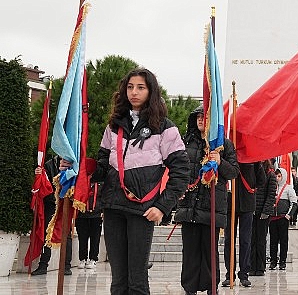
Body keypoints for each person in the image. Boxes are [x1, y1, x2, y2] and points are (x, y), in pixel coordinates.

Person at [93, 68, 190, 295]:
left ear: (151, 91)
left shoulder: (165, 127)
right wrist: (80, 168)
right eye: (130, 87)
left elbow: (182, 171)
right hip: (113, 206)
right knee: (118, 280)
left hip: (142, 210)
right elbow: (102, 166)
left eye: (140, 87)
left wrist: (162, 206)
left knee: (137, 280)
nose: (134, 92)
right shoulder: (113, 126)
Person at [174, 106, 239, 295]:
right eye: (198, 117)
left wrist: (220, 161)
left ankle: (212, 287)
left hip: (211, 206)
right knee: (190, 252)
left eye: (205, 116)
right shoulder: (186, 142)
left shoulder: (223, 145)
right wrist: (178, 190)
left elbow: (233, 172)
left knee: (210, 252)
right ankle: (189, 288)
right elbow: (178, 171)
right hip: (189, 207)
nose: (201, 120)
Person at [222, 161, 265, 288]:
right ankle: (230, 274)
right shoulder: (228, 154)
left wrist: (251, 184)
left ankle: (244, 274)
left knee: (245, 240)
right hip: (230, 204)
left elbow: (261, 180)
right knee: (229, 240)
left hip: (247, 203)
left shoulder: (252, 157)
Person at [31, 156, 73, 276]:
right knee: (47, 233)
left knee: (66, 233)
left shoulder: (73, 162)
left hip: (66, 201)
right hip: (51, 202)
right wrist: (39, 174)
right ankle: (43, 265)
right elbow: (45, 183)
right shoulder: (50, 164)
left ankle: (66, 265)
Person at [249, 159, 277, 276]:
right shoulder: (253, 174)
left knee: (260, 240)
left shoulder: (270, 175)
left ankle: (260, 267)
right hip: (252, 211)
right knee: (251, 240)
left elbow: (271, 195)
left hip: (263, 213)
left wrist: (265, 211)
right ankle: (251, 266)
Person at [268, 167, 297, 270]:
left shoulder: (288, 188)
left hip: (282, 218)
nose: (277, 178)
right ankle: (273, 261)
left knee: (283, 241)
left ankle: (283, 262)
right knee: (273, 241)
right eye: (276, 175)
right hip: (272, 219)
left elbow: (294, 203)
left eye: (279, 176)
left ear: (283, 177)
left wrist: (288, 216)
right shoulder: (271, 188)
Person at [76, 180, 103, 270]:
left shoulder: (101, 184)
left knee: (95, 238)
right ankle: (82, 259)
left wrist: (103, 211)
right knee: (82, 237)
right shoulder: (81, 182)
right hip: (82, 214)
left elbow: (104, 198)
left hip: (96, 215)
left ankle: (93, 259)